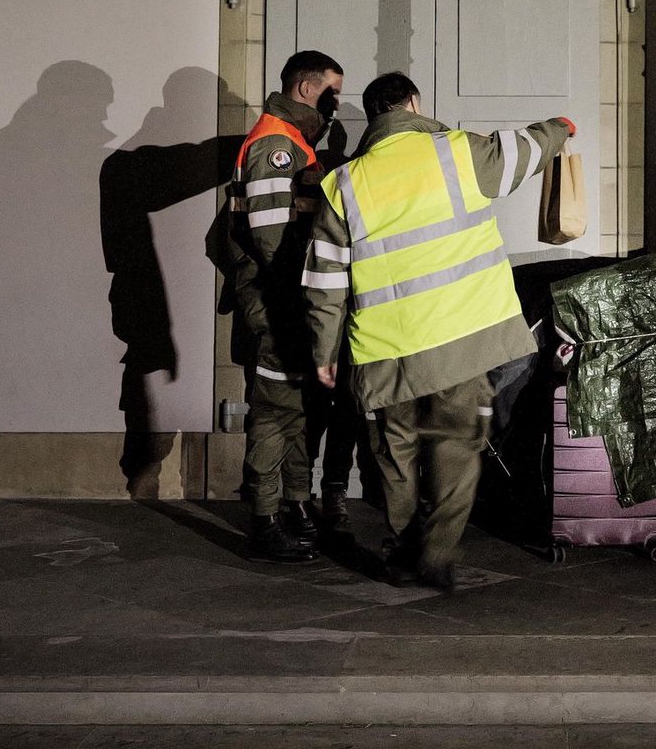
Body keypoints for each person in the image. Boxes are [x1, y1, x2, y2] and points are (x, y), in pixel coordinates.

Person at [302, 71, 574, 591]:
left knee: (394, 457)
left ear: (375, 114)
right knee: (455, 449)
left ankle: (403, 547)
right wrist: (561, 127)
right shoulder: (458, 153)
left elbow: (324, 281)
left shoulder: (343, 183)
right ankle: (436, 552)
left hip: (385, 353)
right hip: (459, 344)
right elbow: (527, 148)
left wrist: (323, 350)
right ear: (413, 103)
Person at [227, 50, 343, 563]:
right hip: (279, 299)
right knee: (275, 415)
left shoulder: (296, 141)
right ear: (305, 88)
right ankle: (265, 520)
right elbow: (272, 239)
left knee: (299, 410)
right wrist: (303, 303)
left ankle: (295, 505)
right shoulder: (277, 144)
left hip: (292, 299)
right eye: (330, 91)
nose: (336, 102)